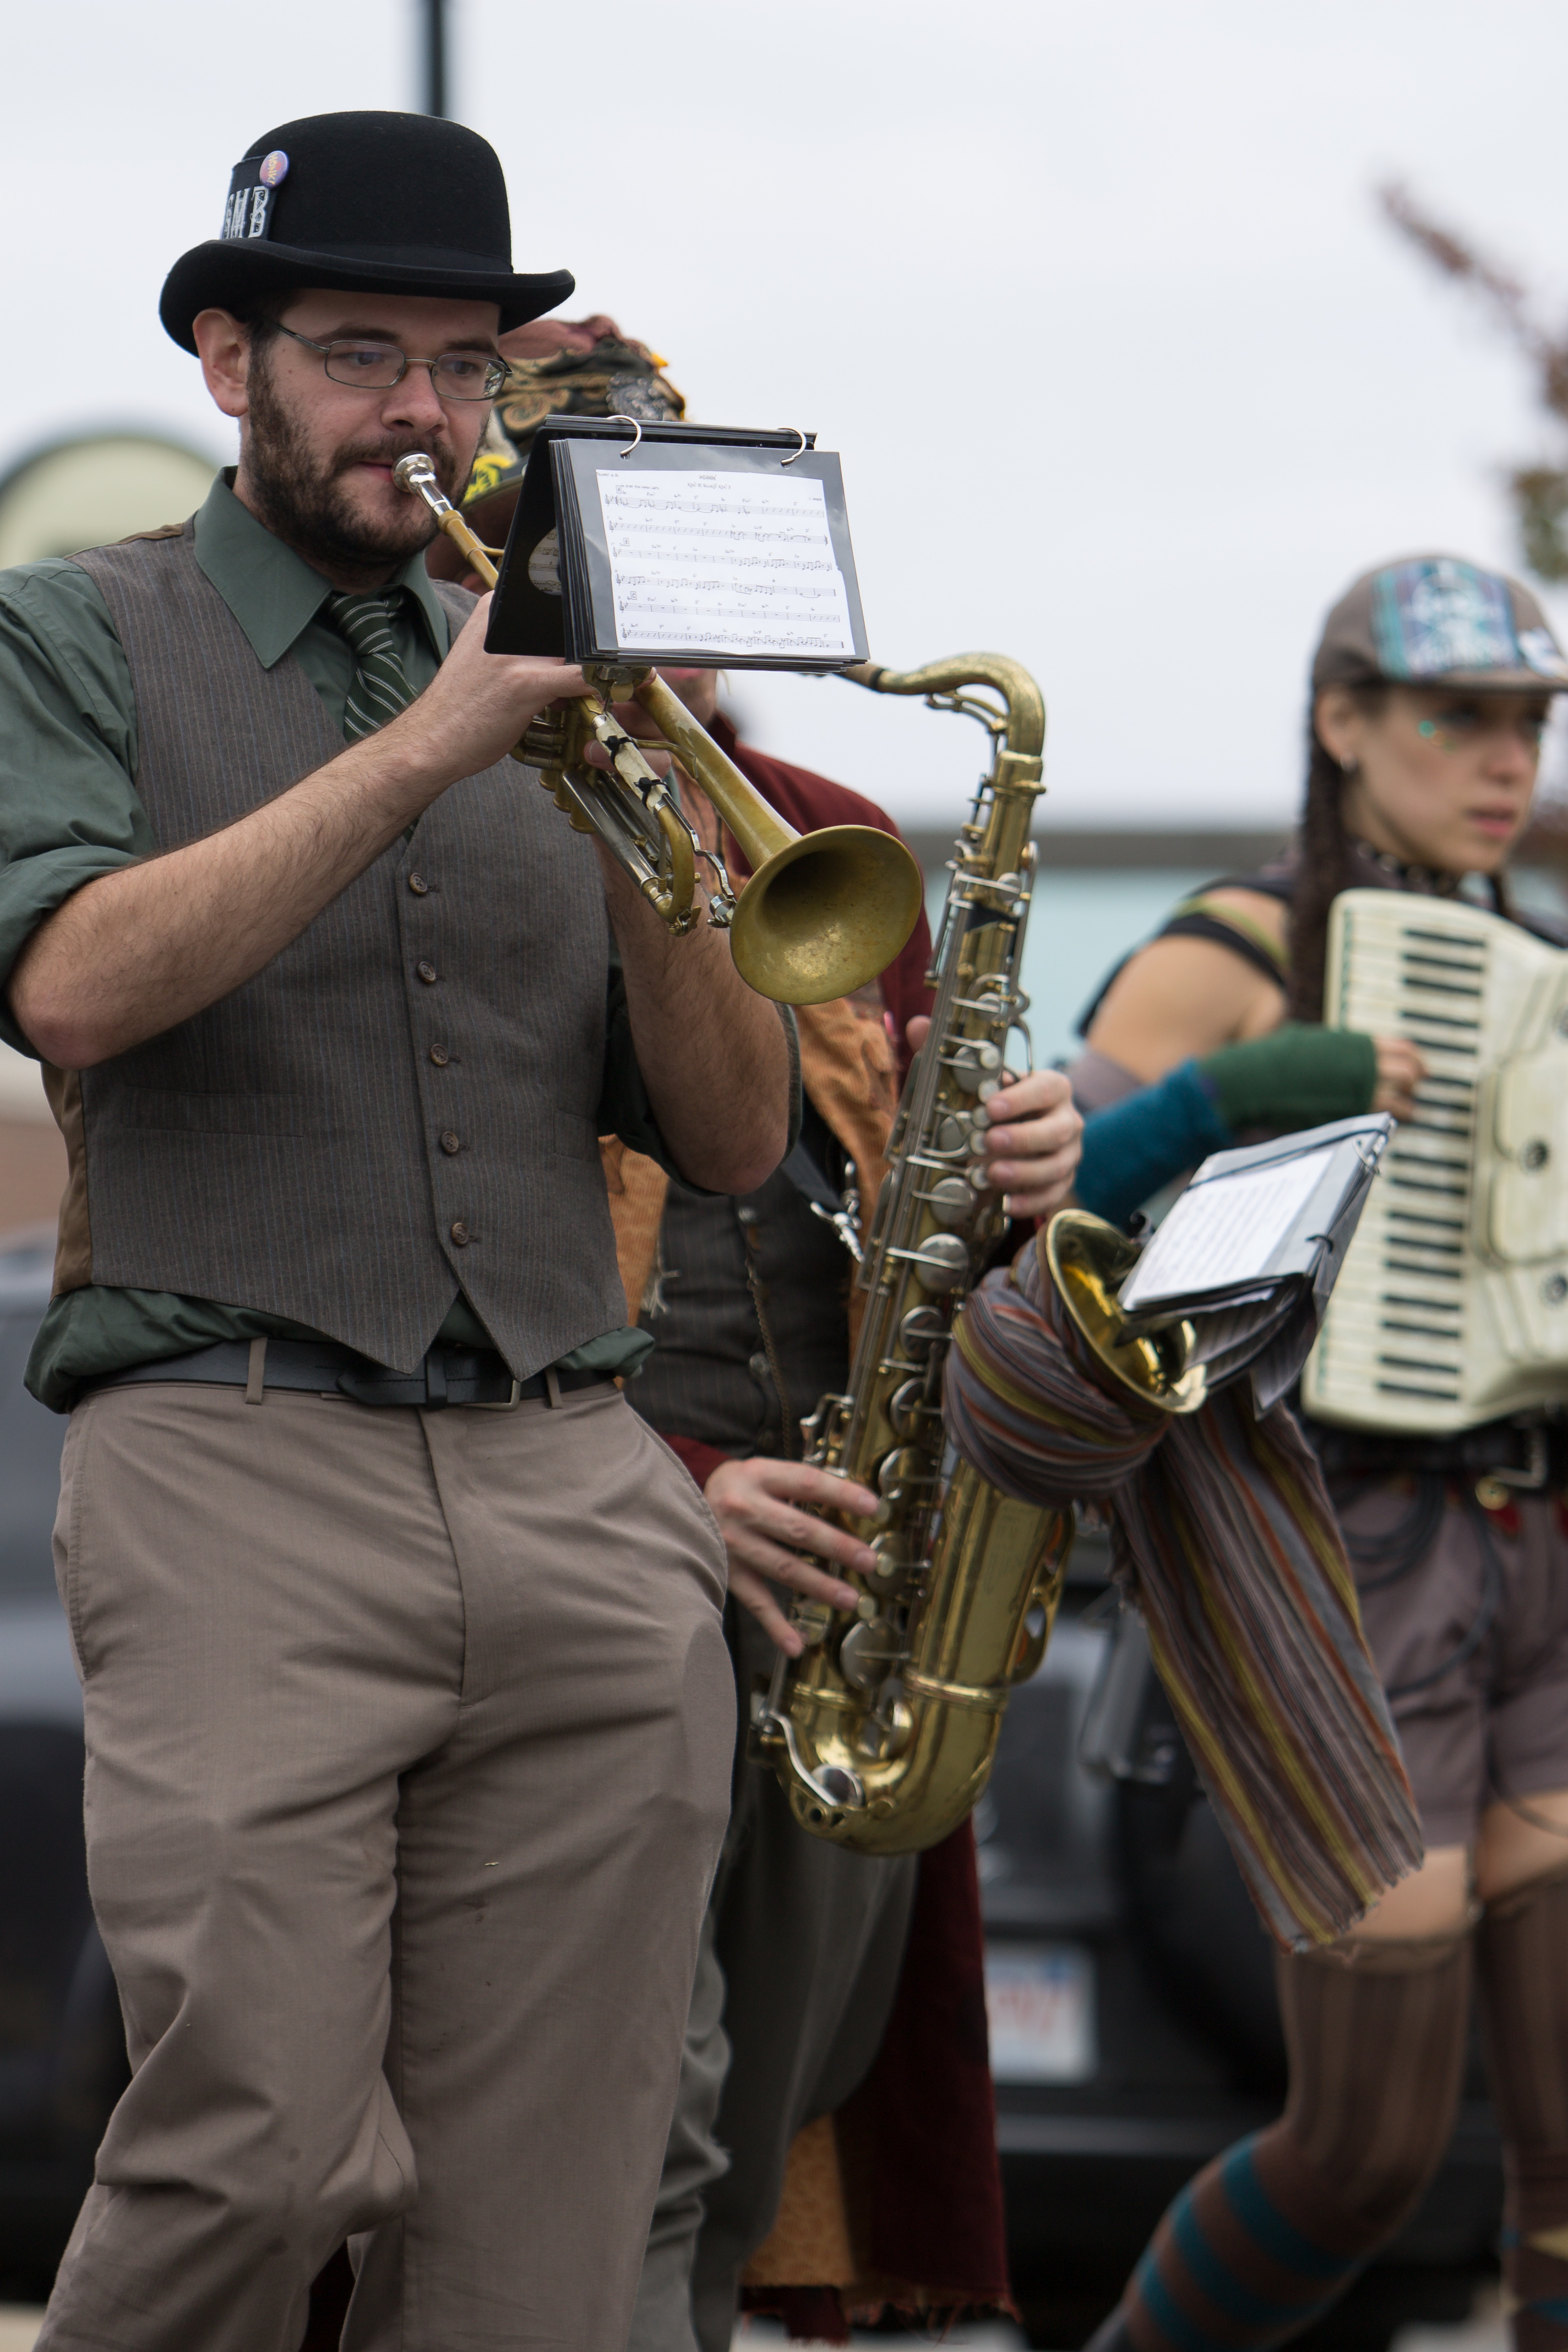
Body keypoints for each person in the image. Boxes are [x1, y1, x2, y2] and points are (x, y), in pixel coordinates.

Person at [0, 115, 797, 2352]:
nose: (424, 414)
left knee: (543, 2244)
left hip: (572, 1482)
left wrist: (650, 789)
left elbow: (735, 1138)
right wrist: (436, 743)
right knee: (254, 2148)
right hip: (237, 1455)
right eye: (362, 354)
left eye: (464, 365)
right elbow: (70, 988)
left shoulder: (559, 675)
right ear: (226, 361)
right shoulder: (71, 630)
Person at [432, 317, 1084, 2350]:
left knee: (769, 2120)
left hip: (841, 1585)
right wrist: (669, 1499)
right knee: (635, 2127)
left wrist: (1020, 1176)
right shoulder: (449, 815)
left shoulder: (821, 818)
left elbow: (898, 1227)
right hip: (599, 1555)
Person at [1065, 556, 1568, 2352]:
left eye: (1529, 726)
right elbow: (1021, 1216)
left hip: (1540, 1538)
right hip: (1337, 1548)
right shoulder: (1234, 945)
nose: (1505, 763)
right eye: (1459, 719)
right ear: (1346, 723)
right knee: (1364, 2150)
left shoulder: (1546, 971)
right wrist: (1233, 1100)